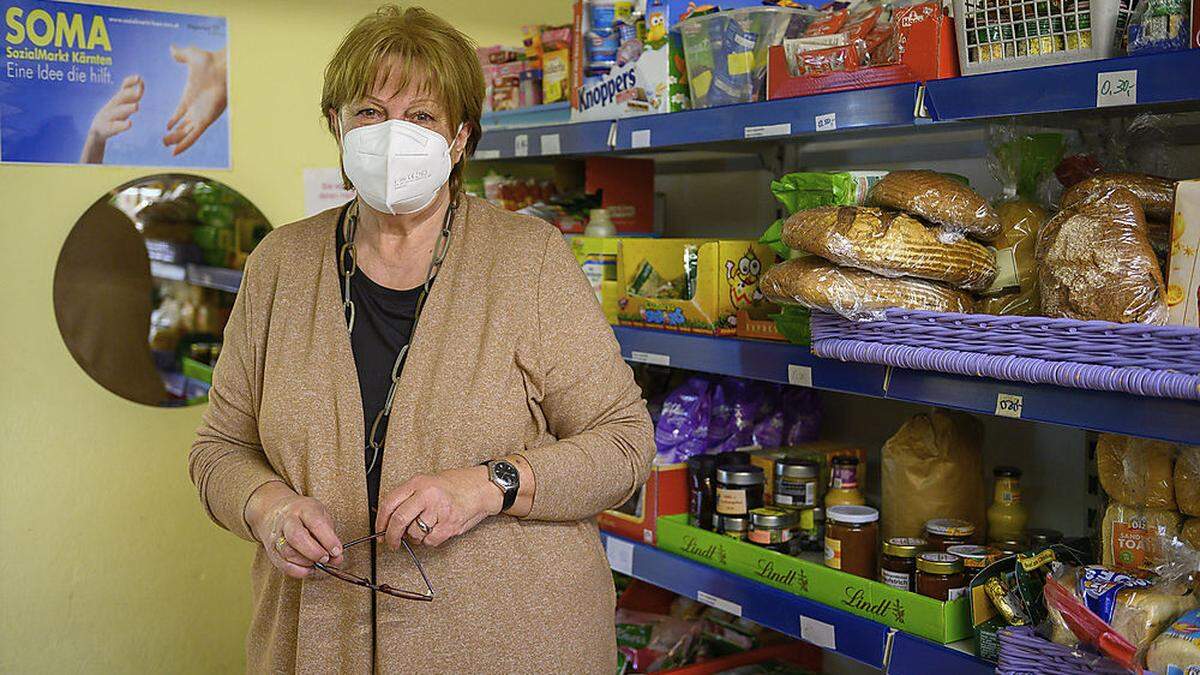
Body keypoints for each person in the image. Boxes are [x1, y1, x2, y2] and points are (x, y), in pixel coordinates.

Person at [188, 6, 655, 673]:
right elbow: (218, 449)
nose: (393, 136)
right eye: (371, 112)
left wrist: (492, 483)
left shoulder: (530, 259)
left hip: (510, 642)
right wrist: (266, 508)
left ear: (460, 138)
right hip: (324, 640)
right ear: (336, 124)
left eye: (423, 117)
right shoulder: (278, 265)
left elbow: (624, 444)